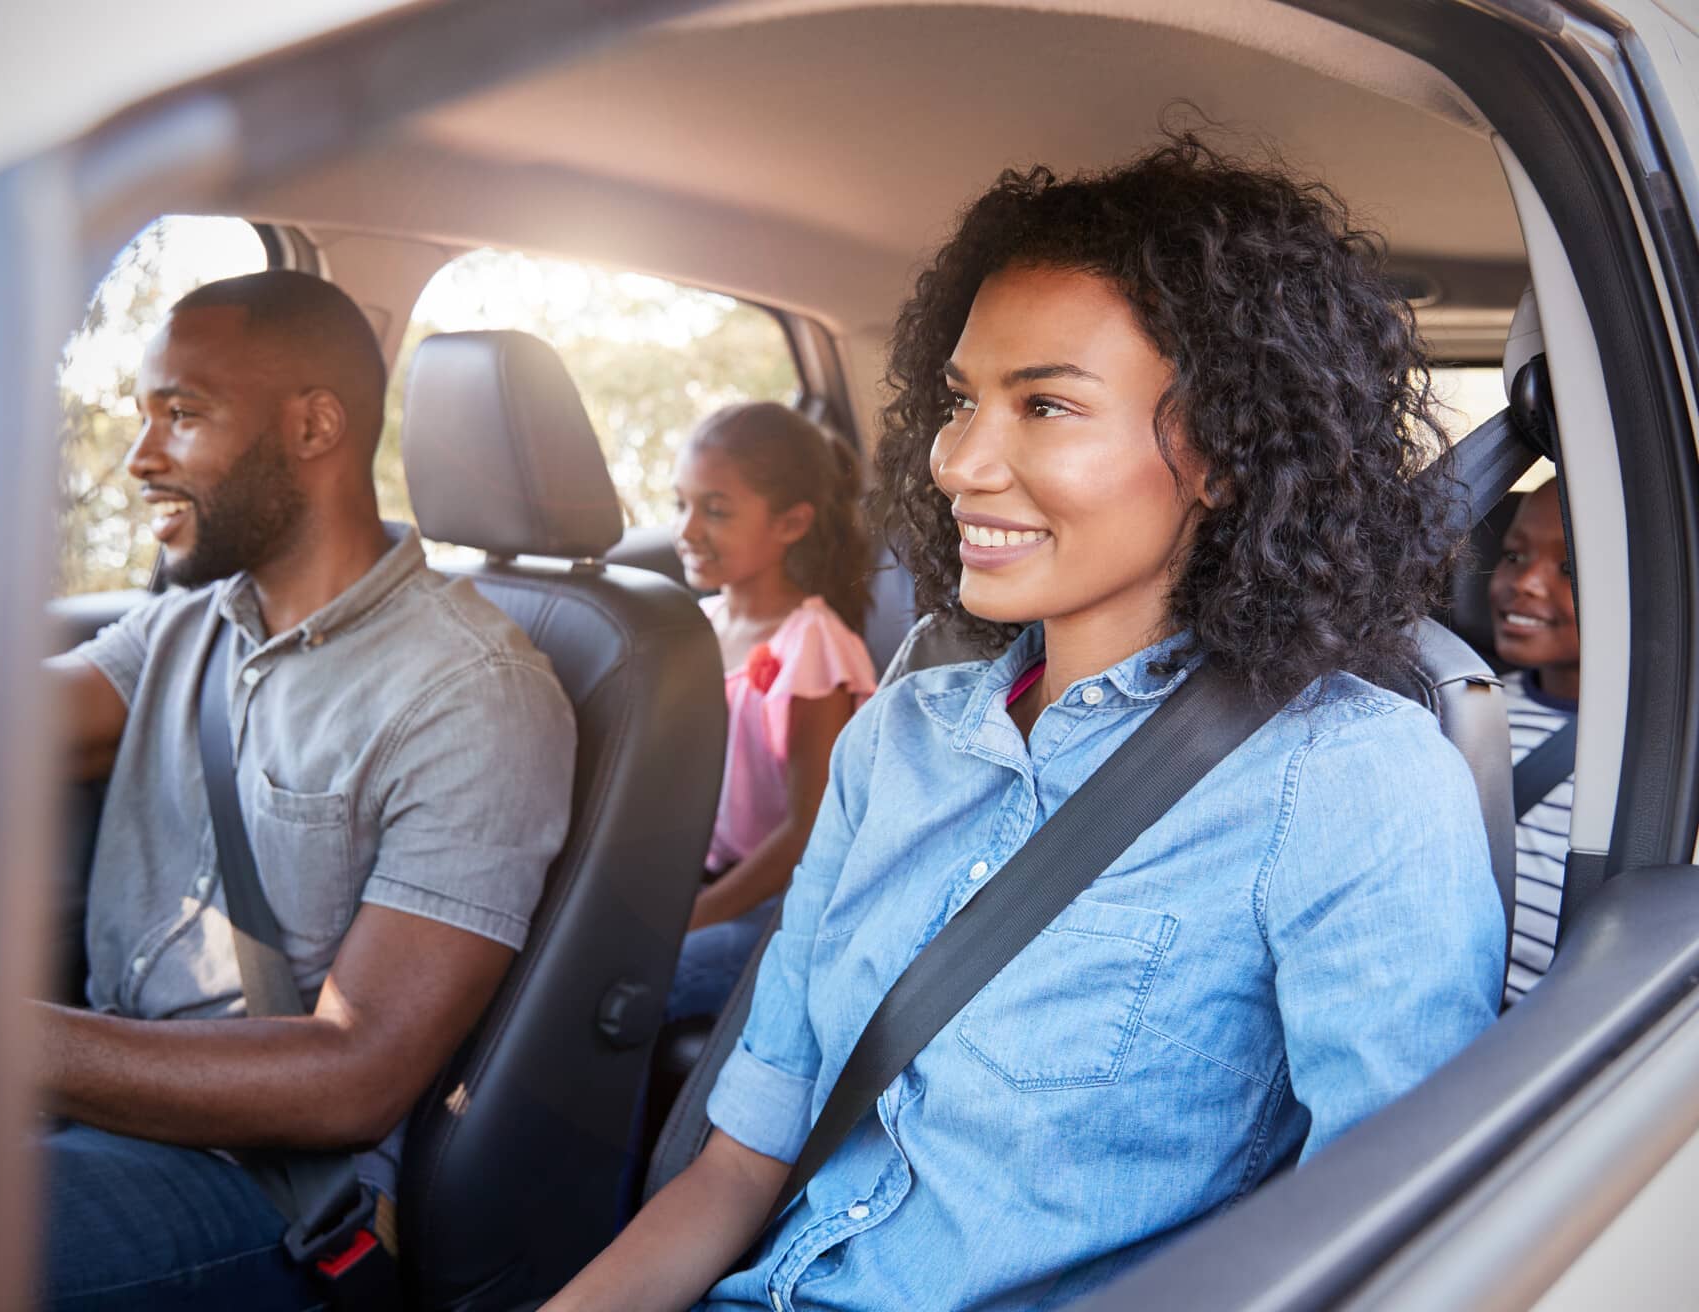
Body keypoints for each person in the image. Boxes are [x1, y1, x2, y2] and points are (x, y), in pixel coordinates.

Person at [547, 134, 1504, 1312]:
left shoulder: (1346, 778)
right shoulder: (899, 736)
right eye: (961, 401)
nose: (958, 461)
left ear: (1222, 453)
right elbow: (739, 1164)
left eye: (1044, 403)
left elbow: (1402, 1247)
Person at [38, 270, 576, 1310]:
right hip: (111, 1107)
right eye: (143, 416)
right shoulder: (186, 626)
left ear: (315, 425)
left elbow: (352, 1071)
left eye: (181, 415)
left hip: (274, 1192)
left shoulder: (472, 692)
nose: (142, 457)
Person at [666, 403, 879, 1021]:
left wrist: (695, 917)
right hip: (704, 878)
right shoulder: (697, 626)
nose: (687, 529)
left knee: (630, 975)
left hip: (778, 906)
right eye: (681, 503)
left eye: (716, 510)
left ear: (791, 524)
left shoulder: (812, 644)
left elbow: (807, 829)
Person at [1490, 481, 1579, 1004]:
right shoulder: (1468, 706)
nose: (1524, 582)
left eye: (1570, 568)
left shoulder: (1662, 754)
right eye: (1513, 555)